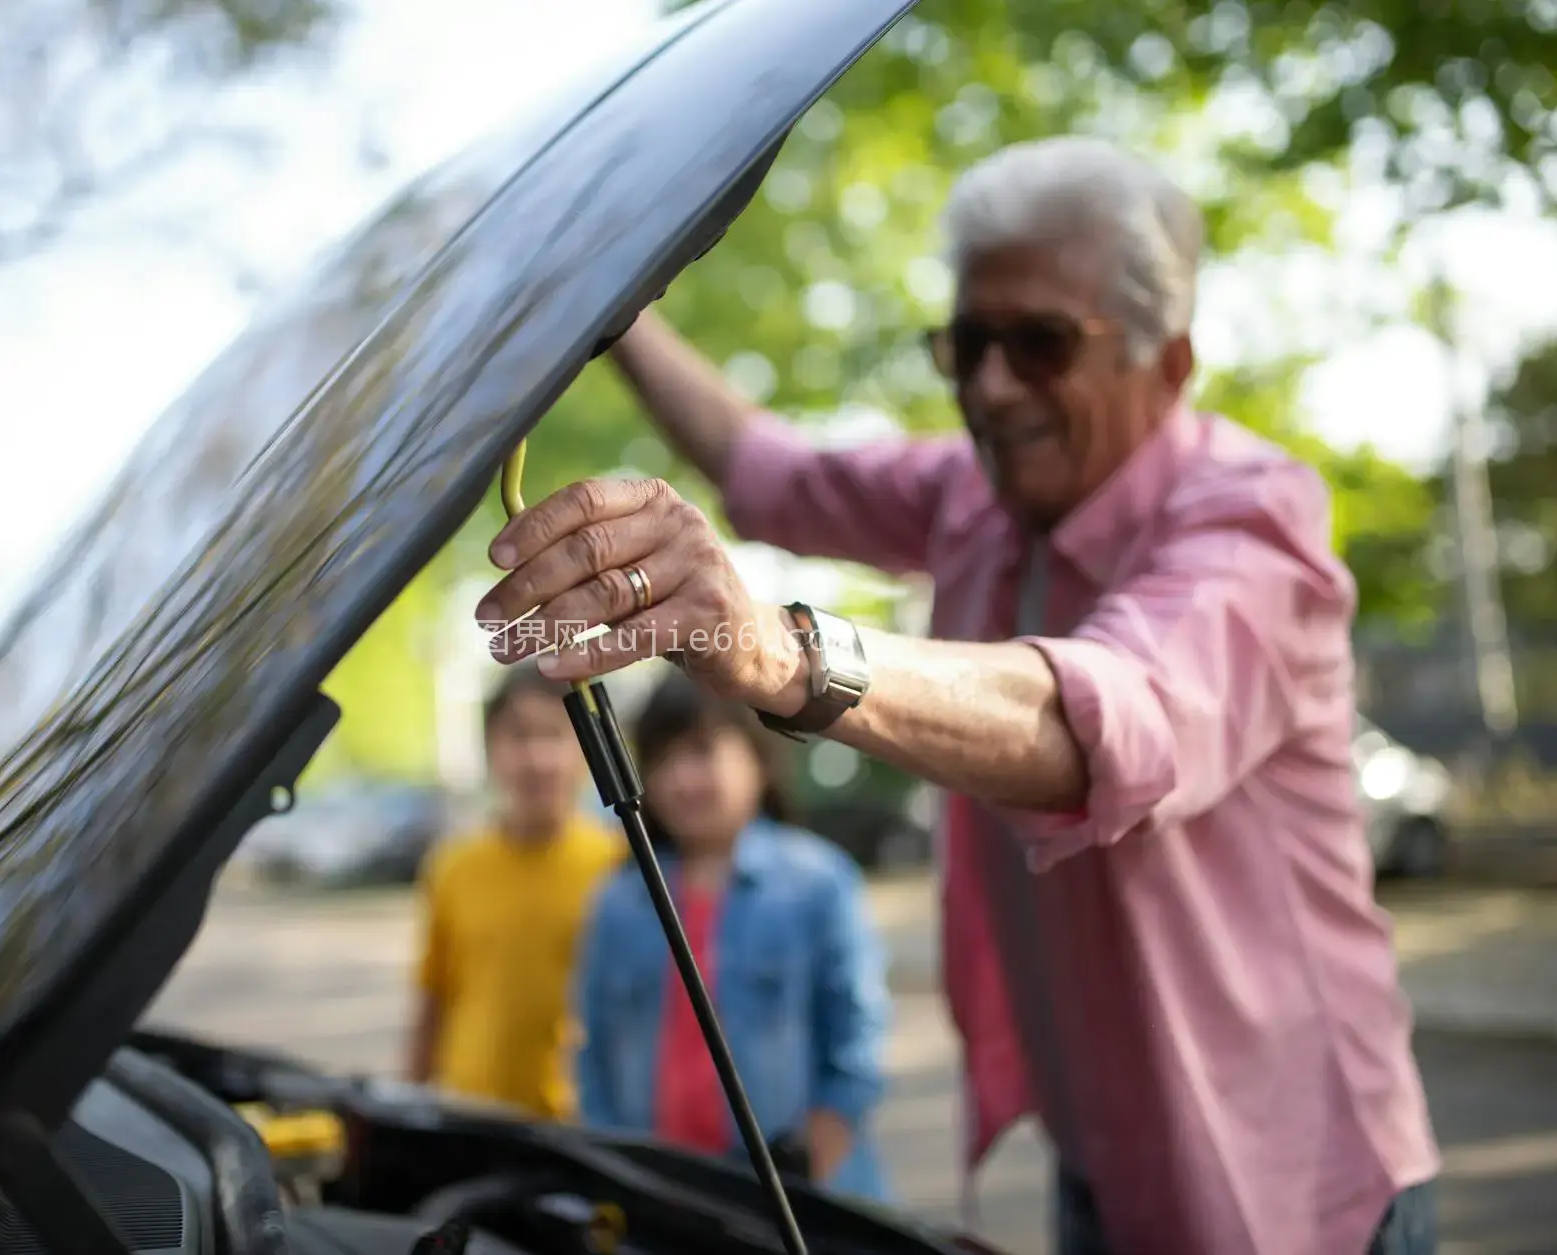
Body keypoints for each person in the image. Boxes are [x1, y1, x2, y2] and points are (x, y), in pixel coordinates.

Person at [470, 136, 1441, 1255]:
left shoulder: (1251, 519)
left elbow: (1106, 716)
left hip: (1289, 1173)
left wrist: (779, 654)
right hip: (1102, 1162)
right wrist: (615, 306)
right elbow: (767, 472)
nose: (988, 386)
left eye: (1038, 345)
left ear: (1165, 365)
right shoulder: (968, 498)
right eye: (968, 343)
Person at [572, 670, 892, 1201]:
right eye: (663, 758)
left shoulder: (817, 882)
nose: (681, 779)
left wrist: (818, 1147)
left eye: (702, 752)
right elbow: (594, 1052)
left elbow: (857, 1036)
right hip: (663, 1194)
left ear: (758, 760)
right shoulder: (619, 901)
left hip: (795, 1196)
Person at [406, 667, 622, 1120]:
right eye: (518, 736)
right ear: (491, 751)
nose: (537, 758)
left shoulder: (620, 865)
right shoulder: (453, 866)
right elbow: (433, 1003)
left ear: (585, 751)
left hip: (582, 1122)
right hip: (471, 1113)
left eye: (553, 735)